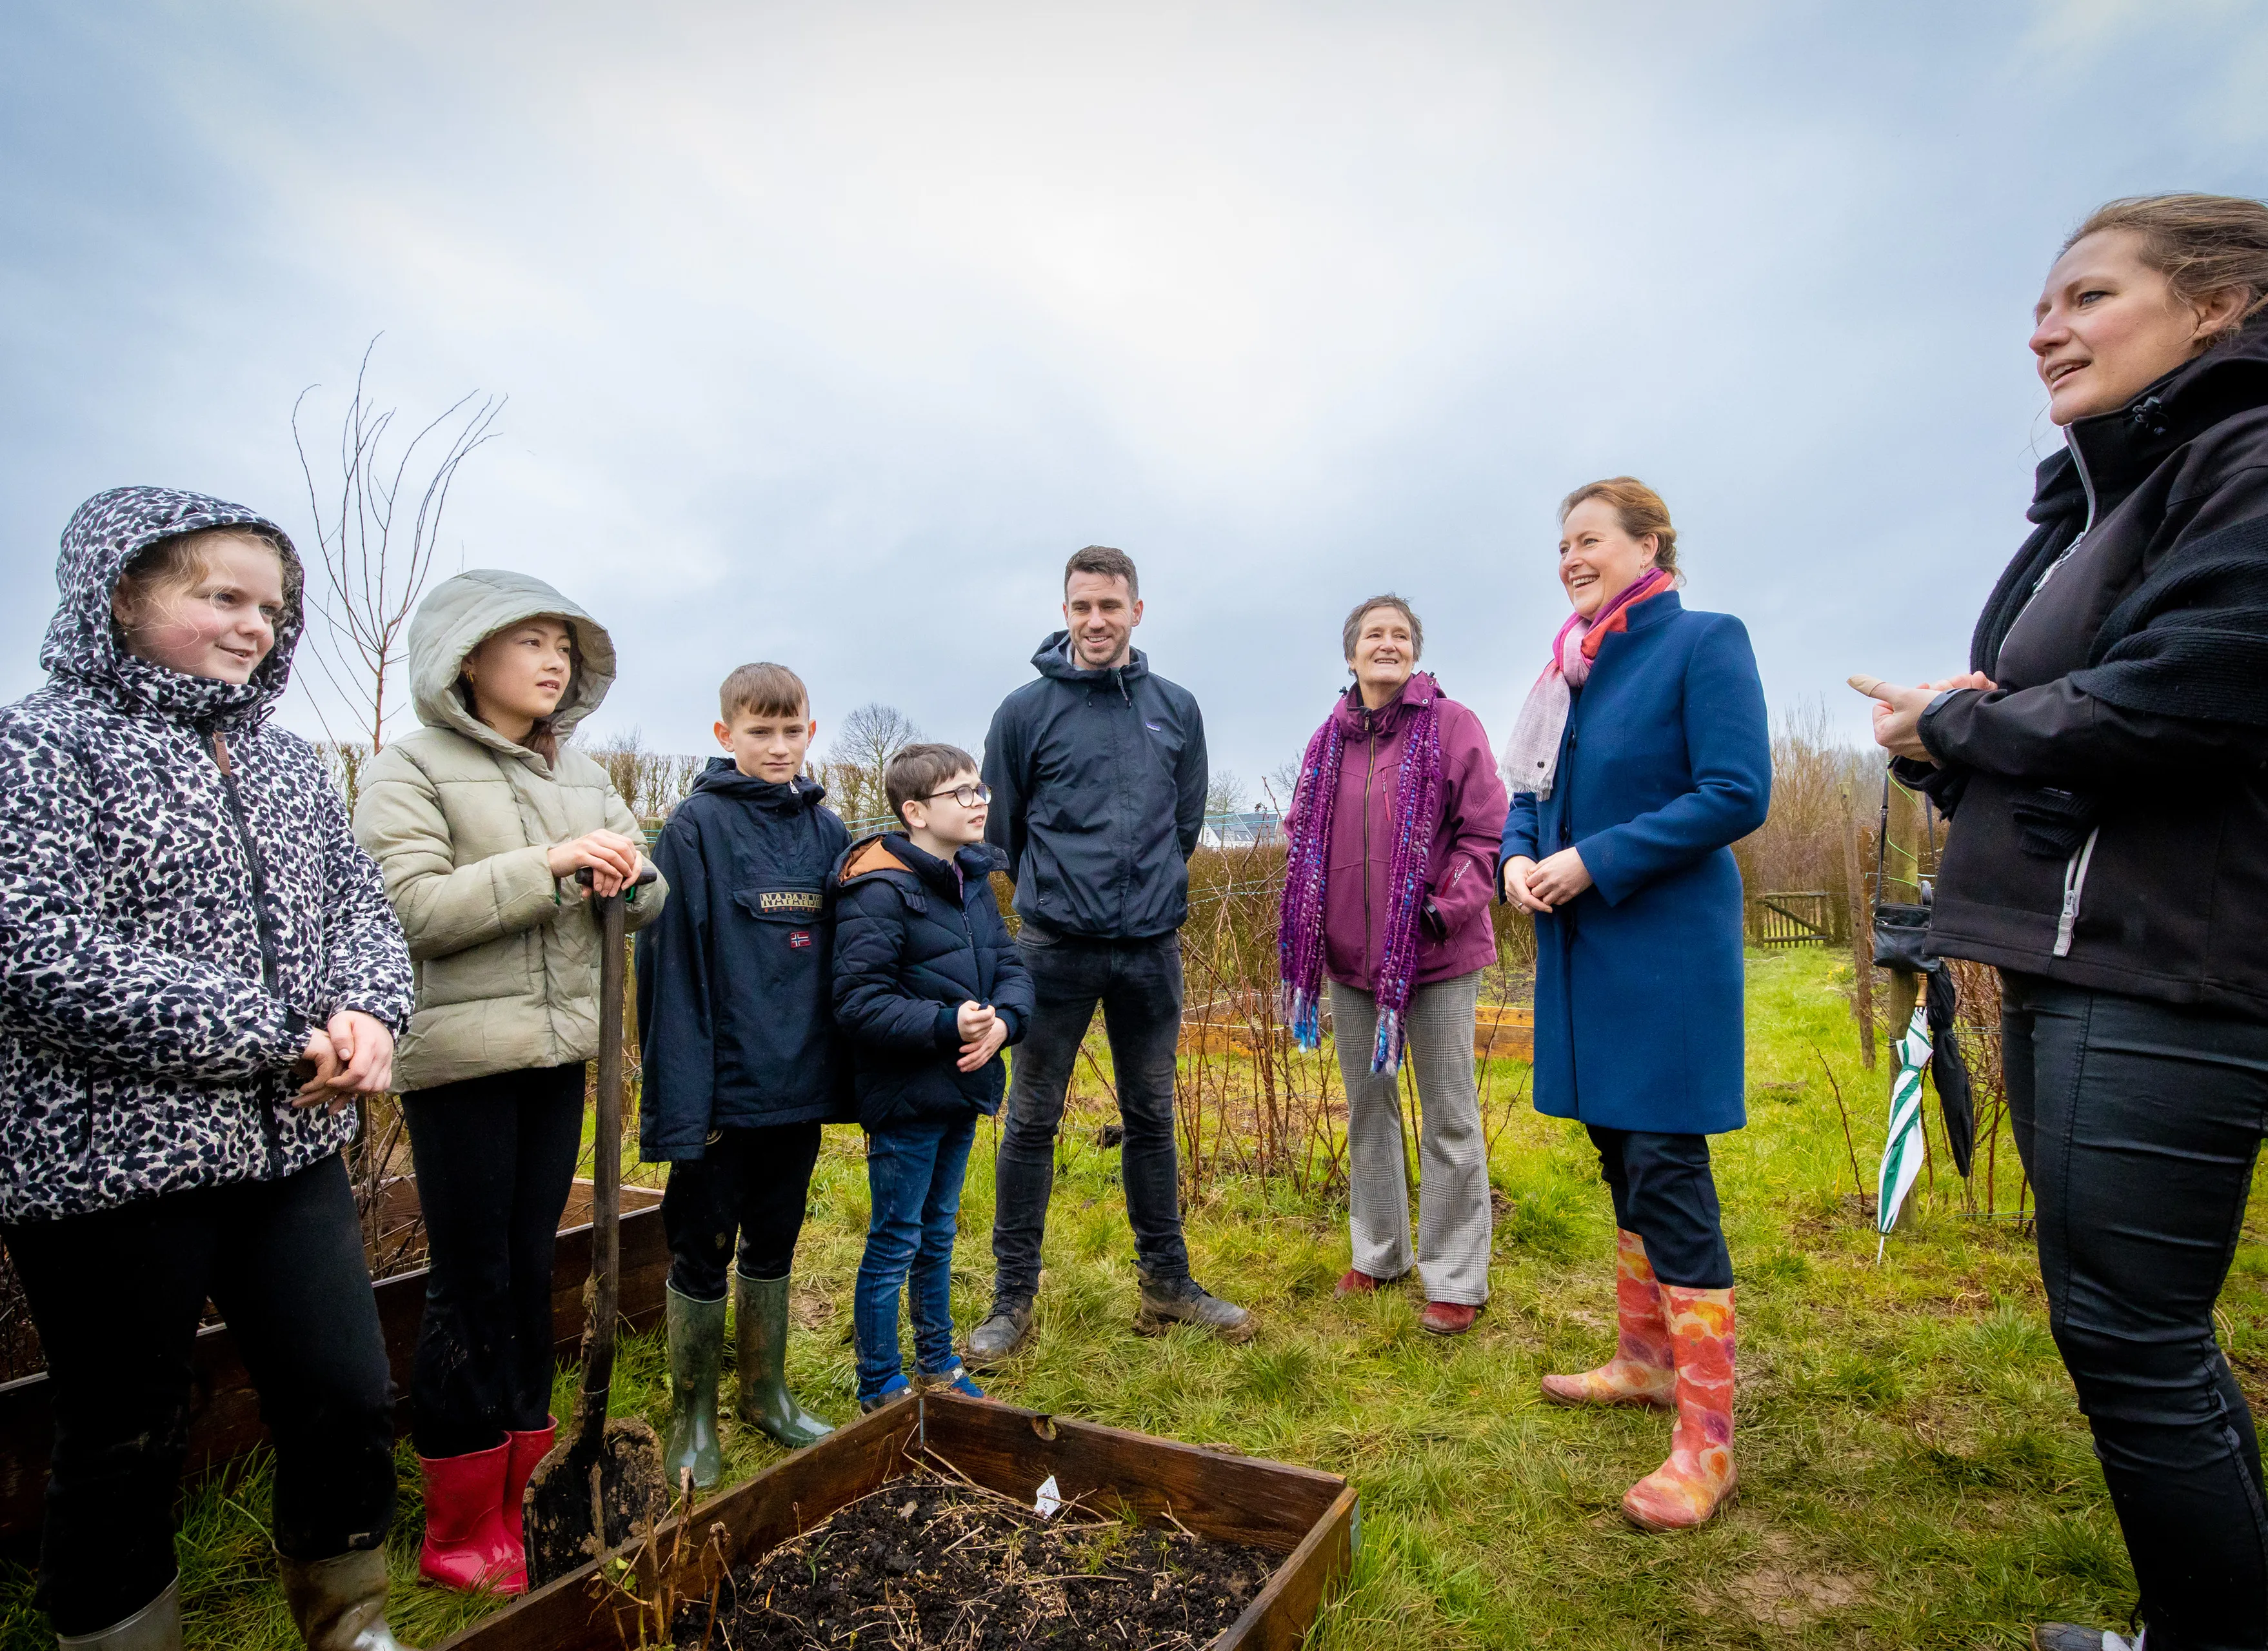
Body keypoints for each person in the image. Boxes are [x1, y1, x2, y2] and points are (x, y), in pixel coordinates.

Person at [1855, 193, 2268, 1651]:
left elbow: (2193, 685)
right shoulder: (2111, 491)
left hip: (2163, 965)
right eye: (2040, 301)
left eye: (2087, 295)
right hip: (2086, 953)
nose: (2045, 326)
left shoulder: (2246, 458)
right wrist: (1951, 736)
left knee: (2131, 1337)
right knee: (2135, 1326)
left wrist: (1968, 724)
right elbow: (2058, 713)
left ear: (2217, 308)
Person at [0, 488, 418, 1651]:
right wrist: (282, 1029)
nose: (254, 627)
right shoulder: (38, 745)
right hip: (107, 1168)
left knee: (344, 1398)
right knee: (128, 1433)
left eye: (272, 608)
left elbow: (359, 910)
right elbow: (38, 953)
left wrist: (371, 1012)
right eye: (219, 596)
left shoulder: (285, 764)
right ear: (121, 594)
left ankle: (352, 1629)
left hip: (289, 1150)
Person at [353, 569, 664, 1595]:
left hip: (556, 1056)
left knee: (536, 1270)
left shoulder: (581, 772)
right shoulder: (411, 770)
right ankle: (457, 1519)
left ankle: (536, 1482)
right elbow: (414, 912)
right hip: (461, 1066)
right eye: (528, 641)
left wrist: (626, 869)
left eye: (563, 646)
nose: (552, 660)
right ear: (467, 659)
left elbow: (645, 884)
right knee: (471, 1279)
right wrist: (551, 864)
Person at [1500, 477, 1768, 1534]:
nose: (1569, 558)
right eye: (1560, 544)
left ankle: (1706, 1443)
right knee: (1618, 1155)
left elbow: (1735, 791)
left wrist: (1590, 860)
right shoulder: (1568, 668)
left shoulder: (1703, 642)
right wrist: (1521, 861)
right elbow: (1527, 793)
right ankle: (1644, 1357)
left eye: (1588, 540)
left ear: (1648, 542)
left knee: (1666, 1164)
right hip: (1582, 945)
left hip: (1661, 951)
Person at [968, 546, 1252, 1365]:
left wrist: (1145, 895)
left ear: (1137, 610)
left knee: (1152, 1117)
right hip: (1054, 949)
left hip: (1150, 950)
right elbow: (1003, 832)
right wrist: (1058, 897)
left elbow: (1186, 822)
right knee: (1031, 1119)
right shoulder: (1024, 712)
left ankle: (1167, 1281)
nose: (1097, 621)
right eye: (1082, 606)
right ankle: (1011, 1297)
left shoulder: (1176, 708)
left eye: (1111, 606)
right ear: (1065, 612)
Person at [636, 662, 846, 1489]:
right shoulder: (694, 829)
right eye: (761, 731)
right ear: (725, 736)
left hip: (797, 1086)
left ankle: (766, 1391)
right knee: (702, 1243)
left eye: (792, 731)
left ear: (811, 733)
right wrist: (685, 1098)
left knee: (778, 1234)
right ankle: (692, 1415)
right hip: (722, 1090)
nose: (779, 746)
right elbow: (670, 974)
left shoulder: (829, 835)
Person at [1278, 595, 1507, 1335]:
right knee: (1369, 1109)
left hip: (1436, 955)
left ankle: (1456, 1276)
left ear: (1415, 652)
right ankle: (1379, 1254)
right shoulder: (1326, 743)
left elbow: (1486, 830)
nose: (1388, 643)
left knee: (1447, 1116)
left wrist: (1446, 908)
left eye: (1400, 634)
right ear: (1350, 654)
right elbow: (1302, 835)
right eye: (1374, 634)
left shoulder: (1451, 725)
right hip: (1348, 963)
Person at [831, 744, 1034, 1410]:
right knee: (895, 1237)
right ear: (915, 811)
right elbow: (859, 1002)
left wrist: (1004, 1021)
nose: (979, 802)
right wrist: (947, 1023)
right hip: (906, 1094)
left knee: (939, 1229)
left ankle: (938, 1364)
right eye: (961, 793)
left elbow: (1010, 967)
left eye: (980, 789)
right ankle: (880, 1382)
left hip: (963, 1088)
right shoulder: (880, 890)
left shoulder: (971, 880)